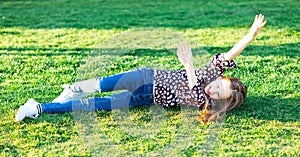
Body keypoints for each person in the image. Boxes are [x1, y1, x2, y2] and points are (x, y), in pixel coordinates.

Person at [16, 14, 267, 123]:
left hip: (145, 97)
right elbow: (229, 54)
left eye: (218, 94)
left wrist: (189, 65)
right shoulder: (212, 74)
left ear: (220, 102)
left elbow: (194, 90)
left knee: (91, 106)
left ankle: (37, 107)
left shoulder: (205, 102)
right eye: (219, 85)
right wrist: (250, 35)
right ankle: (73, 88)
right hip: (147, 76)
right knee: (100, 84)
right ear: (220, 78)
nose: (213, 89)